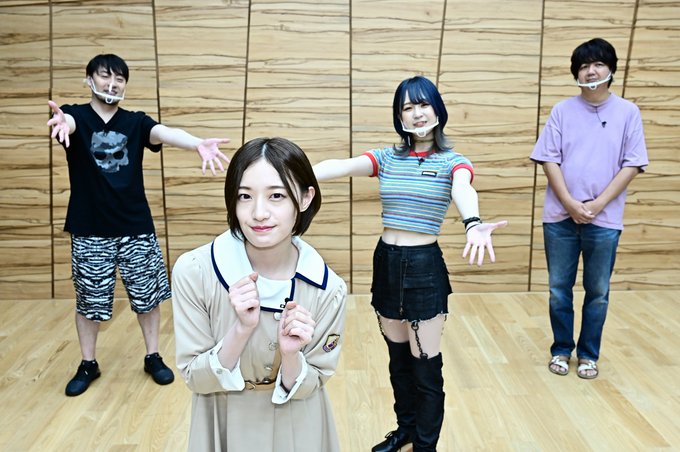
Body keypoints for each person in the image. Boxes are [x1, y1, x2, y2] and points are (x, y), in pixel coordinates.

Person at [314, 76, 506, 452]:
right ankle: (406, 430)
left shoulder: (454, 162)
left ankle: (425, 445)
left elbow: (463, 188)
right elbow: (339, 166)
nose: (417, 113)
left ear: (437, 110)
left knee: (425, 365)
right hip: (386, 262)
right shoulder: (387, 158)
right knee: (398, 361)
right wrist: (286, 171)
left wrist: (472, 222)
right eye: (407, 107)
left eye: (423, 104)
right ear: (399, 116)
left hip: (423, 267)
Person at [47, 53, 230, 397]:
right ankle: (88, 363)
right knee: (89, 302)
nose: (112, 84)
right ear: (89, 80)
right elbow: (66, 123)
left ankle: (153, 356)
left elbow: (165, 132)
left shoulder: (135, 122)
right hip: (89, 228)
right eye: (105, 76)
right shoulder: (76, 116)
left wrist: (196, 144)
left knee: (148, 298)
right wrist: (62, 122)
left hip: (135, 226)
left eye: (119, 79)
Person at [171, 137, 347, 452]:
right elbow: (194, 378)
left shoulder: (328, 290)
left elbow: (315, 380)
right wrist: (241, 330)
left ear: (305, 198)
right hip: (222, 419)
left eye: (276, 195)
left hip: (300, 425)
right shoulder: (195, 271)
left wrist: (291, 357)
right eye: (245, 196)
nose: (259, 213)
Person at [531, 38, 648, 380]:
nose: (591, 71)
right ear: (576, 74)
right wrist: (570, 203)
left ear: (611, 70)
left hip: (604, 219)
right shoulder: (561, 111)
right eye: (584, 66)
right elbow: (549, 160)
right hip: (560, 218)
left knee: (598, 292)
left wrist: (597, 204)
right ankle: (561, 349)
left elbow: (632, 164)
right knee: (559, 289)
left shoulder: (628, 112)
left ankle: (588, 355)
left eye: (598, 64)